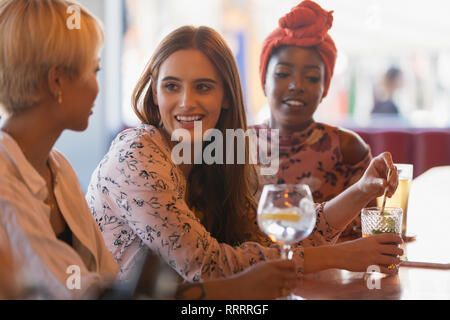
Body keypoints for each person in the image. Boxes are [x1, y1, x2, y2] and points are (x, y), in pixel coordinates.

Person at [0, 0, 298, 301]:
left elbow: (107, 286)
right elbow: (87, 295)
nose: (97, 87)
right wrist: (239, 287)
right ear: (57, 81)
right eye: (93, 70)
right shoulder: (6, 184)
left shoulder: (58, 170)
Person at [86, 25, 403, 288]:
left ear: (226, 97)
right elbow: (207, 268)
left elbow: (270, 240)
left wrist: (362, 190)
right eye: (172, 86)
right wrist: (342, 255)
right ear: (155, 93)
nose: (186, 102)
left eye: (203, 87)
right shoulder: (137, 153)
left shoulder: (218, 154)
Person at [253, 0, 374, 238]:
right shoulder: (235, 146)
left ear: (324, 89)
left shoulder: (348, 149)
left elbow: (366, 234)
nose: (296, 86)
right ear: (264, 82)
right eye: (282, 74)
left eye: (310, 77)